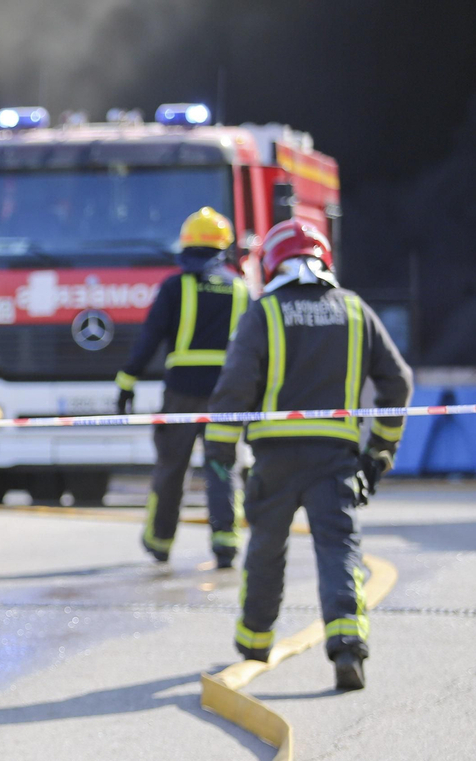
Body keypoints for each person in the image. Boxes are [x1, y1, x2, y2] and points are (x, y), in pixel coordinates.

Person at [207, 220, 412, 690]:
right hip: (334, 459)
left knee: (265, 550)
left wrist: (220, 449)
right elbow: (397, 381)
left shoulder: (264, 314)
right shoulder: (355, 310)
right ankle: (347, 648)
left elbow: (234, 389)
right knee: (339, 548)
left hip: (274, 459)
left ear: (273, 262)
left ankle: (255, 642)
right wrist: (380, 450)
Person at [115, 207, 249, 567]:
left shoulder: (175, 286)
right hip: (226, 394)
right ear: (224, 247)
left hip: (181, 393)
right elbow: (254, 349)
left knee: (172, 466)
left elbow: (149, 337)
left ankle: (160, 541)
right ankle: (226, 542)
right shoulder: (240, 288)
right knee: (222, 465)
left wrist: (127, 381)